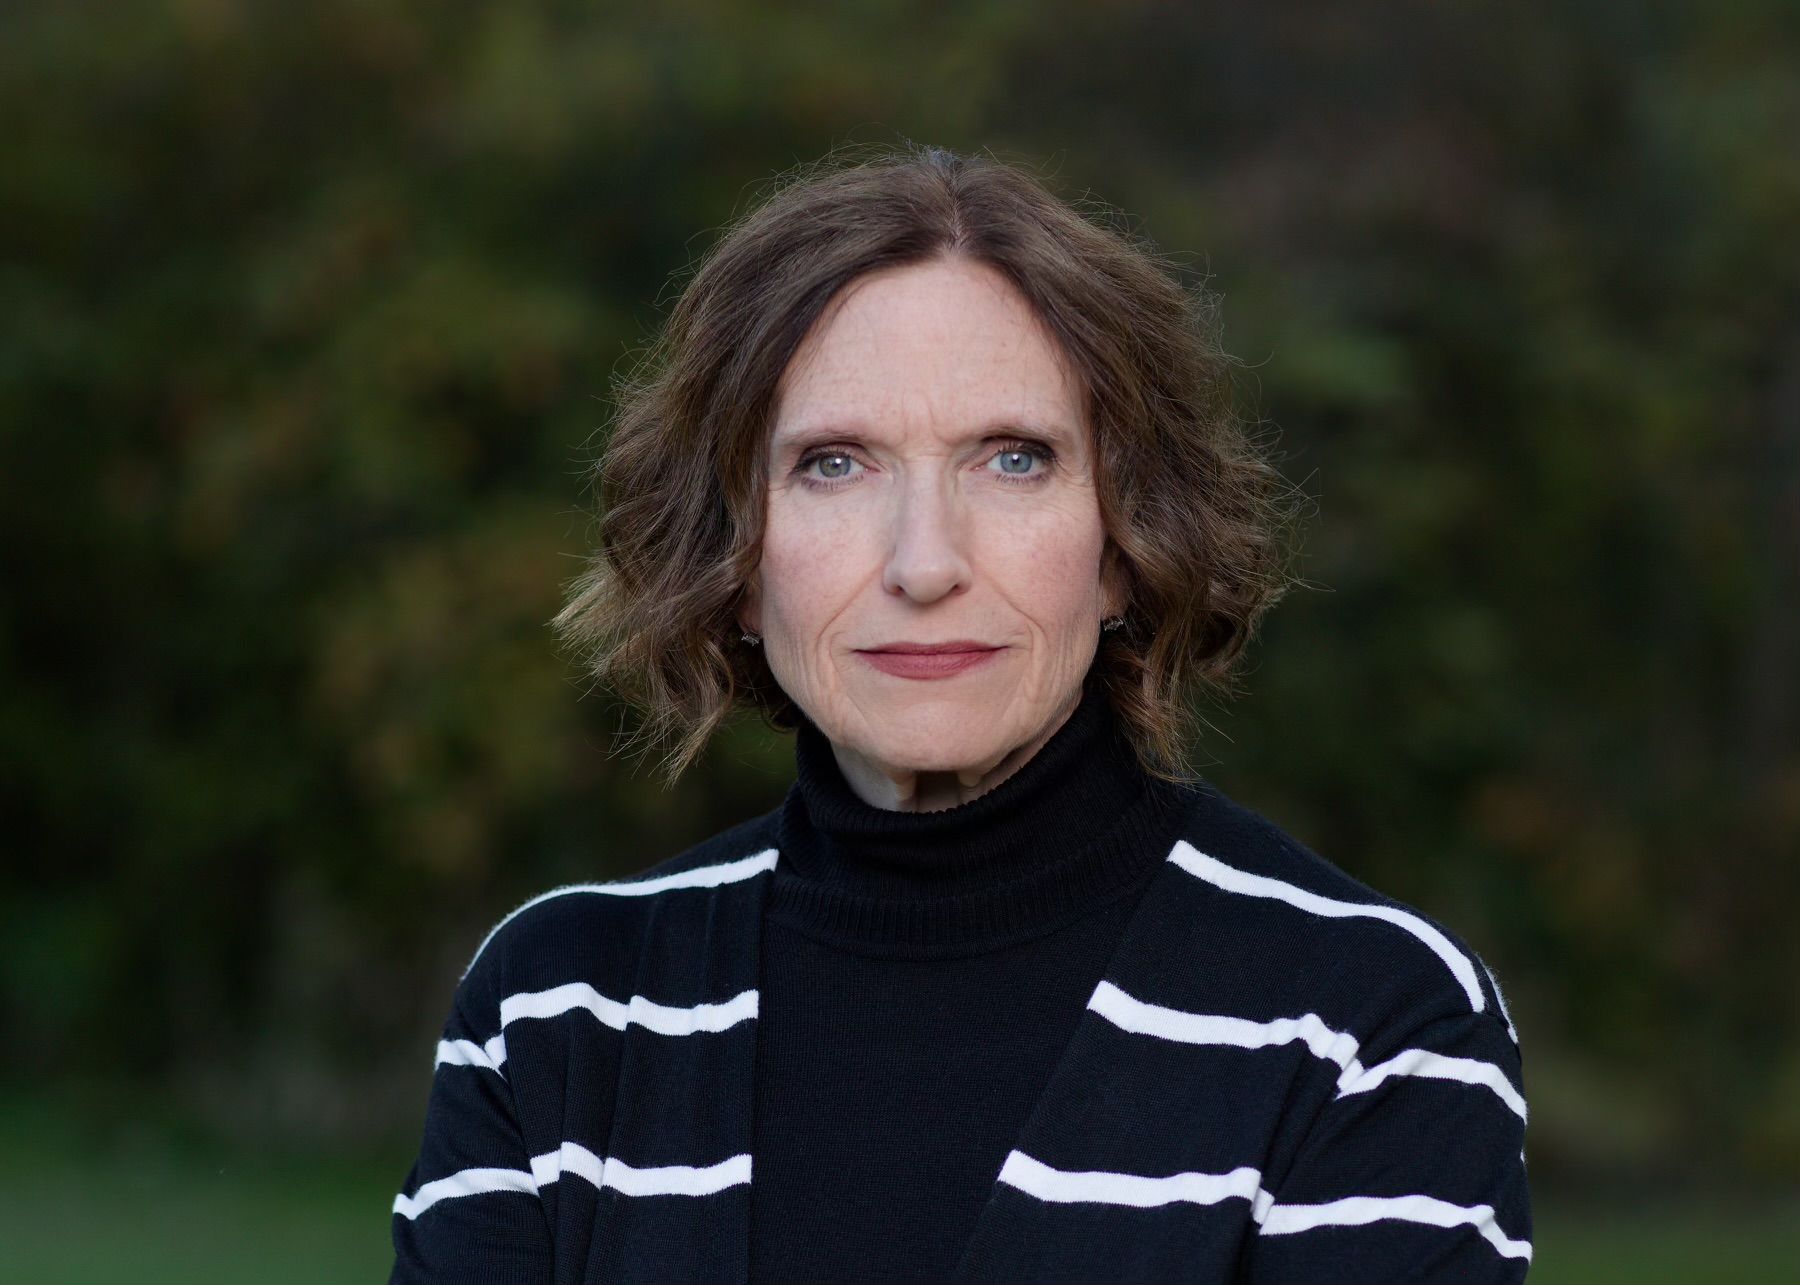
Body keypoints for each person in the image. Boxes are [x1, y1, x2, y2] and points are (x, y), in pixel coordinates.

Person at [389, 144, 1532, 1283]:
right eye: (835, 464)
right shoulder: (559, 1009)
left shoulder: (1368, 1026)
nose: (924, 562)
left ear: (1126, 546)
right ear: (736, 559)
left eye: (1013, 460)